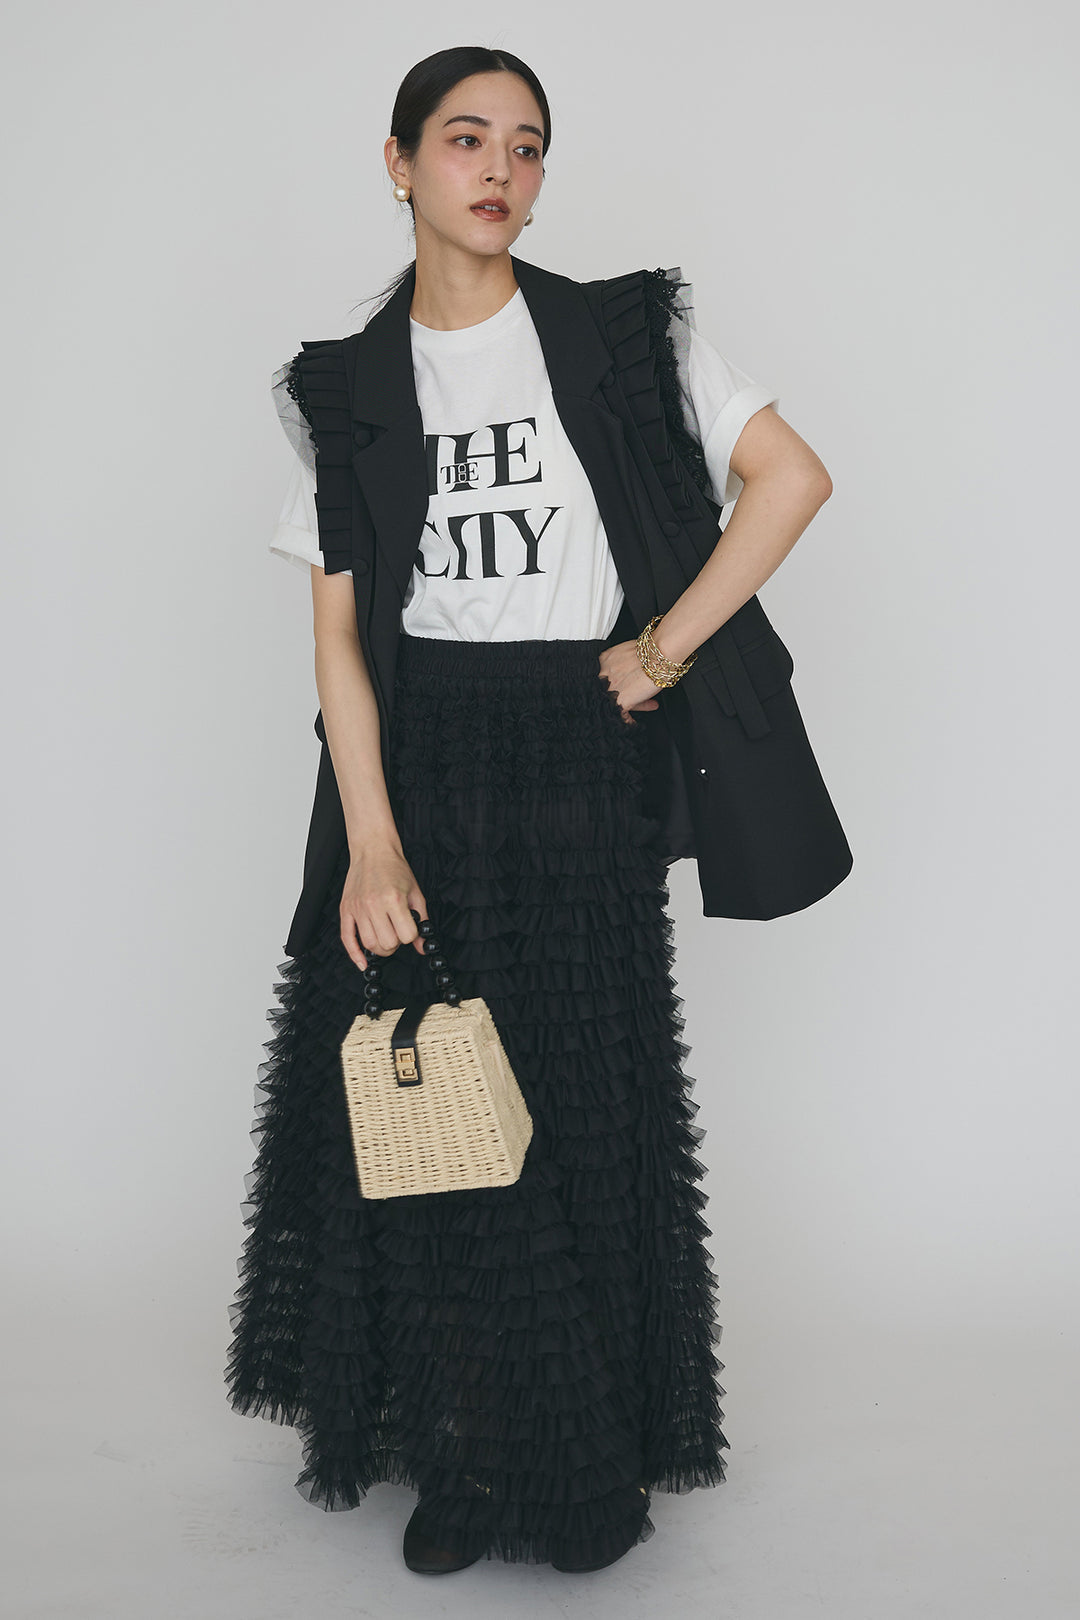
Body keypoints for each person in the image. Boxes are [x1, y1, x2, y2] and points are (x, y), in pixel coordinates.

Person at [225, 44, 835, 1577]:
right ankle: (471, 1448)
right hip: (416, 760)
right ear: (398, 162)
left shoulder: (621, 337)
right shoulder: (346, 389)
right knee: (429, 1112)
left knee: (575, 1103)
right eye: (465, 138)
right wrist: (371, 840)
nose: (499, 168)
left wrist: (663, 649)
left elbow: (789, 478)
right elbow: (339, 643)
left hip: (575, 758)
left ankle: (576, 1445)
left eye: (527, 144)